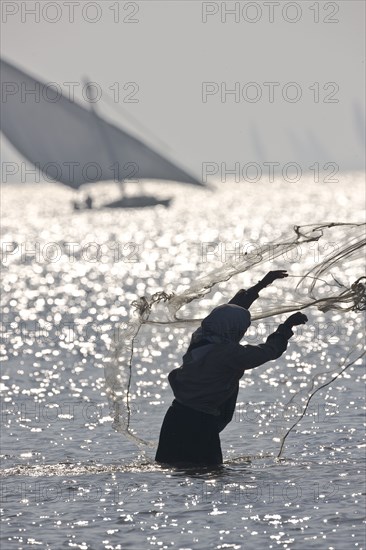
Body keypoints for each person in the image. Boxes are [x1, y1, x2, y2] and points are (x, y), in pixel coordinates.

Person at [155, 270, 308, 466]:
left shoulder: (201, 337)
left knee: (170, 468)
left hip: (175, 417)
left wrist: (262, 284)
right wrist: (286, 327)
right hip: (200, 423)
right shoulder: (230, 355)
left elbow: (232, 310)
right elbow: (269, 351)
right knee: (208, 472)